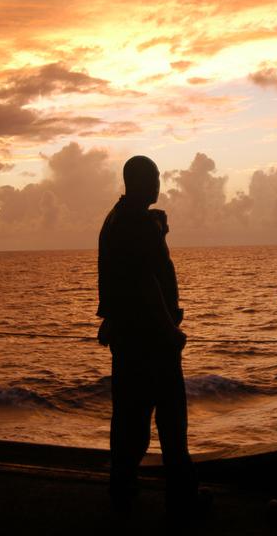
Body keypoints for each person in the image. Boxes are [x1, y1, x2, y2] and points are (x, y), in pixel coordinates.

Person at [96, 155, 199, 517]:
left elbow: (117, 276)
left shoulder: (116, 219)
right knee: (171, 421)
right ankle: (182, 499)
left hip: (129, 337)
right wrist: (169, 330)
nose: (159, 184)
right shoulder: (136, 223)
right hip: (151, 339)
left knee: (129, 418)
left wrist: (108, 318)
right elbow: (144, 281)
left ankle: (122, 488)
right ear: (139, 181)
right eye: (155, 177)